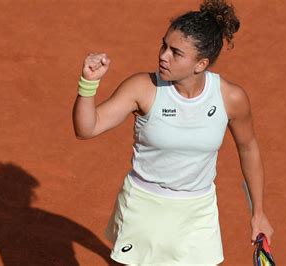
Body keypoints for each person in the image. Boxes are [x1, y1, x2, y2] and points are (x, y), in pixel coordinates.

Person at [72, 0, 274, 265]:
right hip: (144, 208)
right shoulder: (143, 88)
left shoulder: (230, 98)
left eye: (176, 53)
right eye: (164, 45)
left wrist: (258, 212)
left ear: (200, 64)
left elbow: (249, 148)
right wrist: (89, 82)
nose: (163, 55)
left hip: (198, 210)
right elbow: (87, 128)